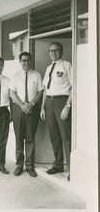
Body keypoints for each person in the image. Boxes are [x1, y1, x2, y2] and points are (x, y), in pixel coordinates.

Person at [40, 42, 72, 181]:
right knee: (54, 136)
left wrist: (67, 106)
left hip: (61, 102)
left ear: (61, 51)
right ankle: (58, 164)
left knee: (66, 137)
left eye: (56, 50)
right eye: (51, 51)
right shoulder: (48, 68)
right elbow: (45, 89)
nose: (53, 53)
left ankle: (73, 170)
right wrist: (42, 107)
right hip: (49, 103)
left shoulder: (66, 65)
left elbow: (74, 86)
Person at [10, 52, 43, 177]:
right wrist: (22, 105)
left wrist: (32, 104)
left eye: (28, 60)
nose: (26, 63)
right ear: (20, 62)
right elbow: (12, 93)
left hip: (32, 109)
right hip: (18, 109)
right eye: (23, 60)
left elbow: (40, 92)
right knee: (19, 138)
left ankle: (30, 166)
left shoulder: (37, 75)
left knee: (30, 138)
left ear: (31, 60)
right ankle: (19, 165)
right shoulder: (15, 76)